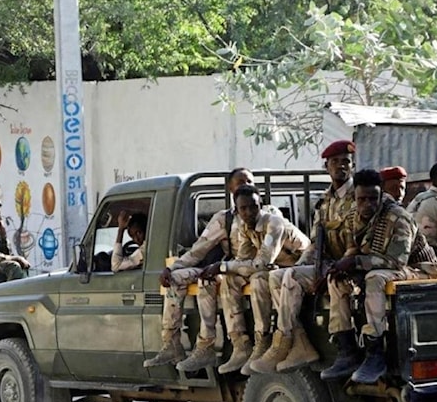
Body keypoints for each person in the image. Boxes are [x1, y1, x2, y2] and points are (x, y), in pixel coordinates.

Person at [321, 169, 437, 383]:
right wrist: (343, 266)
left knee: (374, 279)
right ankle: (347, 349)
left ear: (381, 195)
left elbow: (397, 262)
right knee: (337, 281)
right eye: (361, 199)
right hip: (381, 267)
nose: (367, 204)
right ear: (354, 198)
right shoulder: (352, 217)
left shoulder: (398, 217)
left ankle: (375, 352)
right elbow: (353, 250)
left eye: (372, 199)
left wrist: (357, 263)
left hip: (420, 270)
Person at [253, 140, 357, 374]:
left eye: (345, 162)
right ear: (326, 167)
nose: (341, 167)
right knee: (277, 277)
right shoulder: (324, 201)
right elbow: (313, 244)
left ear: (352, 165)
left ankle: (283, 340)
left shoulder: (358, 197)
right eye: (335, 162)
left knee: (289, 276)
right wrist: (302, 267)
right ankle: (298, 342)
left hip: (351, 265)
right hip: (327, 264)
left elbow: (359, 243)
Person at [189, 184, 310, 375]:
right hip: (278, 268)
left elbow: (262, 262)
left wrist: (222, 266)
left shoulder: (274, 223)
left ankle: (264, 340)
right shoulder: (245, 227)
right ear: (237, 211)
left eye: (253, 207)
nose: (249, 212)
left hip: (301, 266)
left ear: (260, 205)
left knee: (259, 279)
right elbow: (243, 261)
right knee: (230, 279)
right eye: (243, 209)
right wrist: (225, 271)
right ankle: (240, 344)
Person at [144, 167, 254, 369]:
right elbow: (198, 250)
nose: (245, 185)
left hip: (246, 269)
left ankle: (209, 343)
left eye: (249, 181)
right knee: (176, 278)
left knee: (210, 281)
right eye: (240, 182)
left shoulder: (265, 214)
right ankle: (171, 343)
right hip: (225, 267)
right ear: (230, 189)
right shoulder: (224, 219)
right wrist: (172, 268)